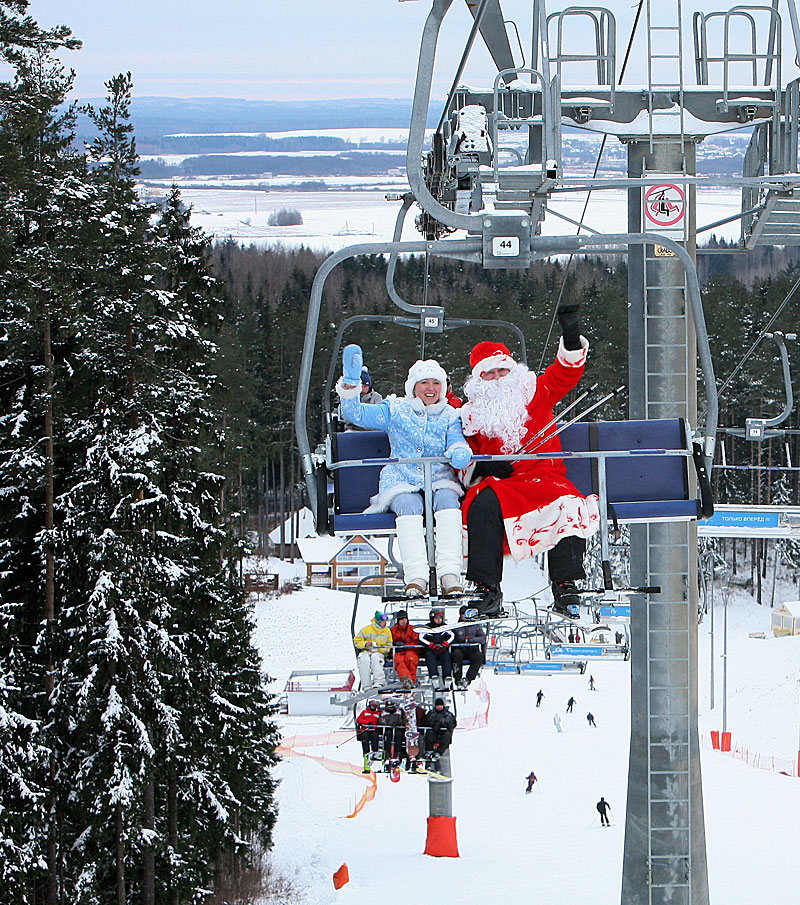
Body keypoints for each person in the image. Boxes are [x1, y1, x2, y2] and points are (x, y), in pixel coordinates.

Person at [458, 306, 599, 617]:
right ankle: (486, 588)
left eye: (501, 371)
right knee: (481, 506)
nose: (497, 379)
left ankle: (566, 584)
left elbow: (565, 374)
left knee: (569, 503)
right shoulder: (473, 415)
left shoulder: (537, 393)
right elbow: (461, 451)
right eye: (489, 374)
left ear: (513, 371)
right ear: (479, 381)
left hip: (545, 479)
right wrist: (482, 466)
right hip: (504, 483)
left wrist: (572, 337)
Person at [337, 345, 472, 597]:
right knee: (408, 505)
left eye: (435, 383)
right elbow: (356, 413)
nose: (430, 389)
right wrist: (351, 385)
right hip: (402, 476)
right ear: (413, 386)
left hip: (438, 477)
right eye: (424, 383)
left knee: (447, 499)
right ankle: (416, 576)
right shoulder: (395, 410)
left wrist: (459, 450)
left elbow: (456, 439)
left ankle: (450, 573)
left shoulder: (450, 414)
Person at [353, 611, 392, 689]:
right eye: (383, 621)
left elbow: (388, 646)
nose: (385, 623)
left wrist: (379, 648)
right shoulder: (366, 630)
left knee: (376, 658)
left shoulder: (387, 632)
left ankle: (379, 682)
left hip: (379, 652)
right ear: (378, 621)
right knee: (364, 659)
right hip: (366, 651)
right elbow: (357, 641)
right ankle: (366, 685)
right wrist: (365, 644)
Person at [451, 604, 487, 689]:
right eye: (463, 614)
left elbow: (483, 638)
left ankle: (468, 678)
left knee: (479, 657)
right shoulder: (456, 627)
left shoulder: (475, 626)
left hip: (472, 649)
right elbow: (451, 638)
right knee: (456, 655)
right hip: (460, 649)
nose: (465, 616)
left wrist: (472, 640)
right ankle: (457, 678)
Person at [418, 607, 455, 690]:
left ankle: (447, 677)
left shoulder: (445, 627)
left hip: (442, 648)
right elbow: (421, 638)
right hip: (431, 649)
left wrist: (446, 644)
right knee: (430, 657)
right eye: (436, 618)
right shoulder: (427, 628)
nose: (439, 620)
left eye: (440, 618)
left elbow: (452, 636)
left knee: (446, 656)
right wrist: (431, 645)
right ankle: (434, 676)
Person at [390, 610, 420, 688]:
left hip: (410, 650)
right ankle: (406, 679)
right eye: (401, 619)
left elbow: (416, 643)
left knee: (410, 659)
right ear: (398, 620)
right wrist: (395, 647)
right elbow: (389, 642)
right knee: (399, 661)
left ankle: (412, 680)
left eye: (404, 619)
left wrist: (405, 646)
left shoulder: (413, 629)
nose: (403, 621)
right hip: (398, 652)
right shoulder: (393, 630)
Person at [356, 700, 382, 772]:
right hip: (365, 729)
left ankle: (375, 752)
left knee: (375, 738)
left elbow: (380, 721)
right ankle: (366, 753)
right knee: (365, 739)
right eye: (373, 706)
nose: (374, 708)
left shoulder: (377, 713)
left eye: (375, 706)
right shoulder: (365, 712)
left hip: (373, 730)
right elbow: (359, 720)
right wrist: (367, 723)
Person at [380, 700, 406, 764]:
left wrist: (399, 723)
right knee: (388, 735)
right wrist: (387, 725)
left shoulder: (398, 712)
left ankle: (397, 752)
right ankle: (387, 752)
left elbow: (401, 721)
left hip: (397, 728)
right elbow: (381, 721)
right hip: (387, 728)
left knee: (399, 735)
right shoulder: (384, 713)